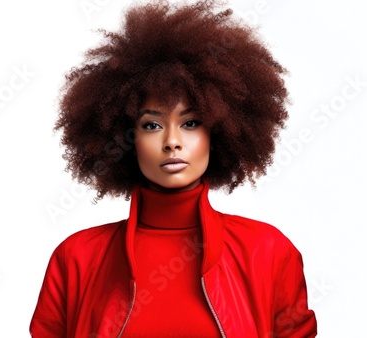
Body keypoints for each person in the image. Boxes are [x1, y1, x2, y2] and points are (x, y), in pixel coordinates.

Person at [29, 0, 318, 336]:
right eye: (152, 125)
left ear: (220, 131)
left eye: (191, 122)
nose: (172, 141)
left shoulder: (268, 252)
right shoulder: (76, 259)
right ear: (126, 137)